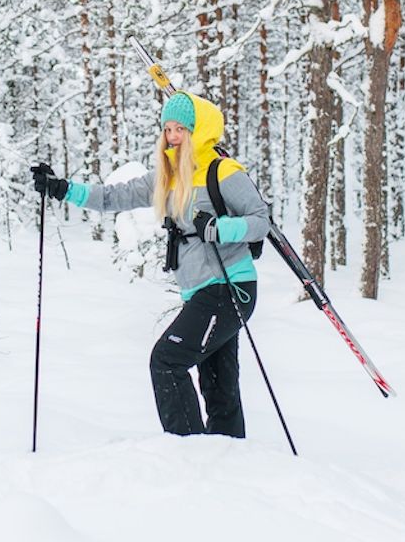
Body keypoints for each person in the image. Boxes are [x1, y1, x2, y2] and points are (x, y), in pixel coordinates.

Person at [31, 91, 271, 437]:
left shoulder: (223, 171)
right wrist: (63, 189)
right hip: (201, 291)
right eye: (167, 129)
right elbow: (114, 197)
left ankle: (188, 451)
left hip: (230, 288)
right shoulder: (168, 175)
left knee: (167, 361)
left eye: (180, 129)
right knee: (218, 385)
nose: (172, 137)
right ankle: (227, 458)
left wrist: (219, 228)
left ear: (197, 131)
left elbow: (260, 219)